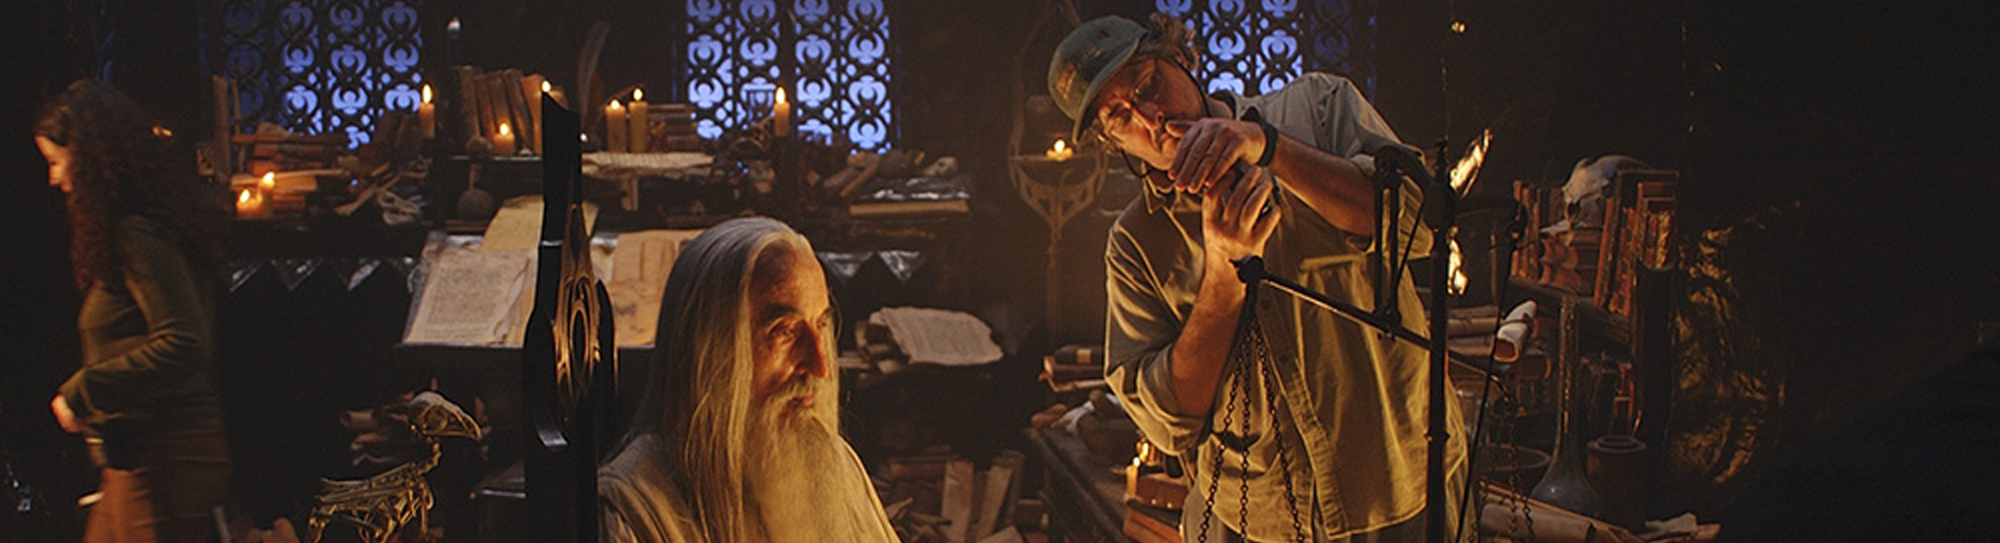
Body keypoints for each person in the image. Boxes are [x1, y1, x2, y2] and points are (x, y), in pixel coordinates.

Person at [1049, 14, 1469, 543]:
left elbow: (1419, 225)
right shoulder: (1137, 242)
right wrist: (1224, 276)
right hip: (1257, 518)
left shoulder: (1316, 108)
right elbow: (1168, 420)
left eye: (1149, 85)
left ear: (1184, 59)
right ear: (1114, 143)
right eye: (1121, 116)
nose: (1151, 118)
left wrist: (1270, 148)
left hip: (1396, 486)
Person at [597, 217, 898, 543]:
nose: (819, 366)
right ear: (712, 351)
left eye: (821, 326)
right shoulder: (633, 506)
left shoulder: (835, 467)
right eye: (785, 332)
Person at [36, 78, 230, 543]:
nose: (54, 179)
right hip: (139, 461)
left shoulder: (136, 237)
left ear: (90, 161)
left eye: (58, 162)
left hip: (165, 460)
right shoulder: (143, 232)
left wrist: (85, 390)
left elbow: (185, 342)